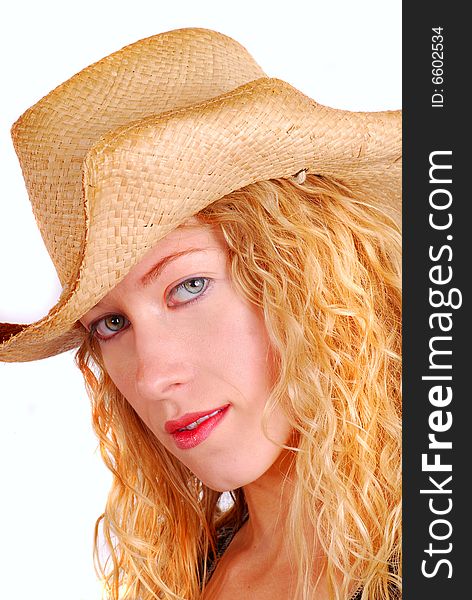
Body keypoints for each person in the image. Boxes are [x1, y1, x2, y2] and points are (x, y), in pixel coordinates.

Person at [0, 28, 401, 600]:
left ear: (309, 272)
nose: (151, 376)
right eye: (111, 324)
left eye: (188, 286)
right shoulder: (188, 575)